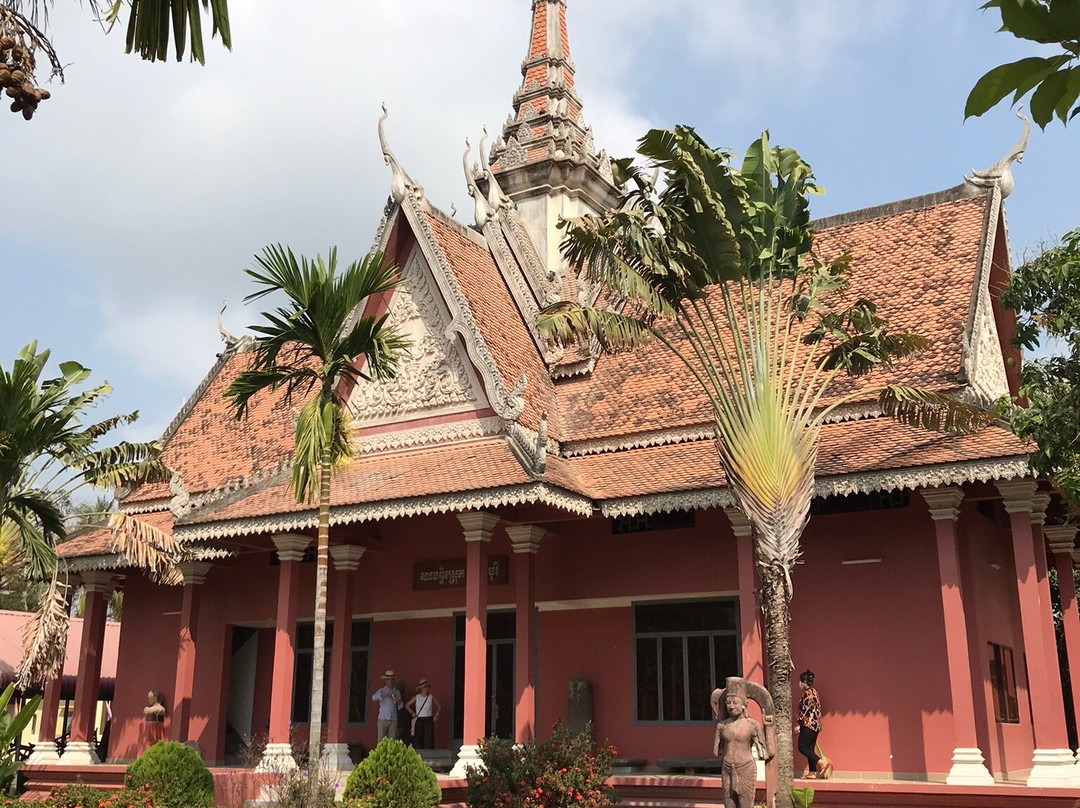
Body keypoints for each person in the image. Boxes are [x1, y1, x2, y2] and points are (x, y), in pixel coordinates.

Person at [712, 678, 767, 808]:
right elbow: (717, 752)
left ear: (745, 704)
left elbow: (765, 752)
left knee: (745, 804)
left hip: (745, 768)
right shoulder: (722, 726)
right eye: (728, 703)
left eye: (735, 702)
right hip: (727, 768)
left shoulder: (752, 725)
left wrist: (768, 727)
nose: (731, 706)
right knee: (729, 804)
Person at [796, 669, 822, 778]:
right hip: (816, 725)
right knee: (810, 748)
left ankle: (820, 762)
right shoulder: (815, 692)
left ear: (803, 682)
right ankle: (812, 772)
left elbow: (805, 710)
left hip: (808, 725)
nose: (799, 684)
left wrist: (798, 724)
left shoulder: (808, 694)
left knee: (802, 747)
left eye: (800, 682)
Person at [406, 679, 441, 749]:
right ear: (421, 688)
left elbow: (439, 706)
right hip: (419, 719)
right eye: (425, 687)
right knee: (418, 738)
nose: (427, 689)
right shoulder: (417, 697)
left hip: (428, 719)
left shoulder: (431, 696)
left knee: (428, 738)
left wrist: (437, 714)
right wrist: (412, 713)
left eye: (428, 687)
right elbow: (407, 705)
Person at [371, 669, 403, 741]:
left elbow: (400, 705)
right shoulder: (382, 690)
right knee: (381, 740)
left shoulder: (397, 692)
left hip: (393, 719)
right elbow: (373, 698)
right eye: (388, 679)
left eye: (392, 679)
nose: (390, 681)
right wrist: (384, 694)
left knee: (392, 740)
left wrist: (398, 700)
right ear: (386, 680)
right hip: (383, 718)